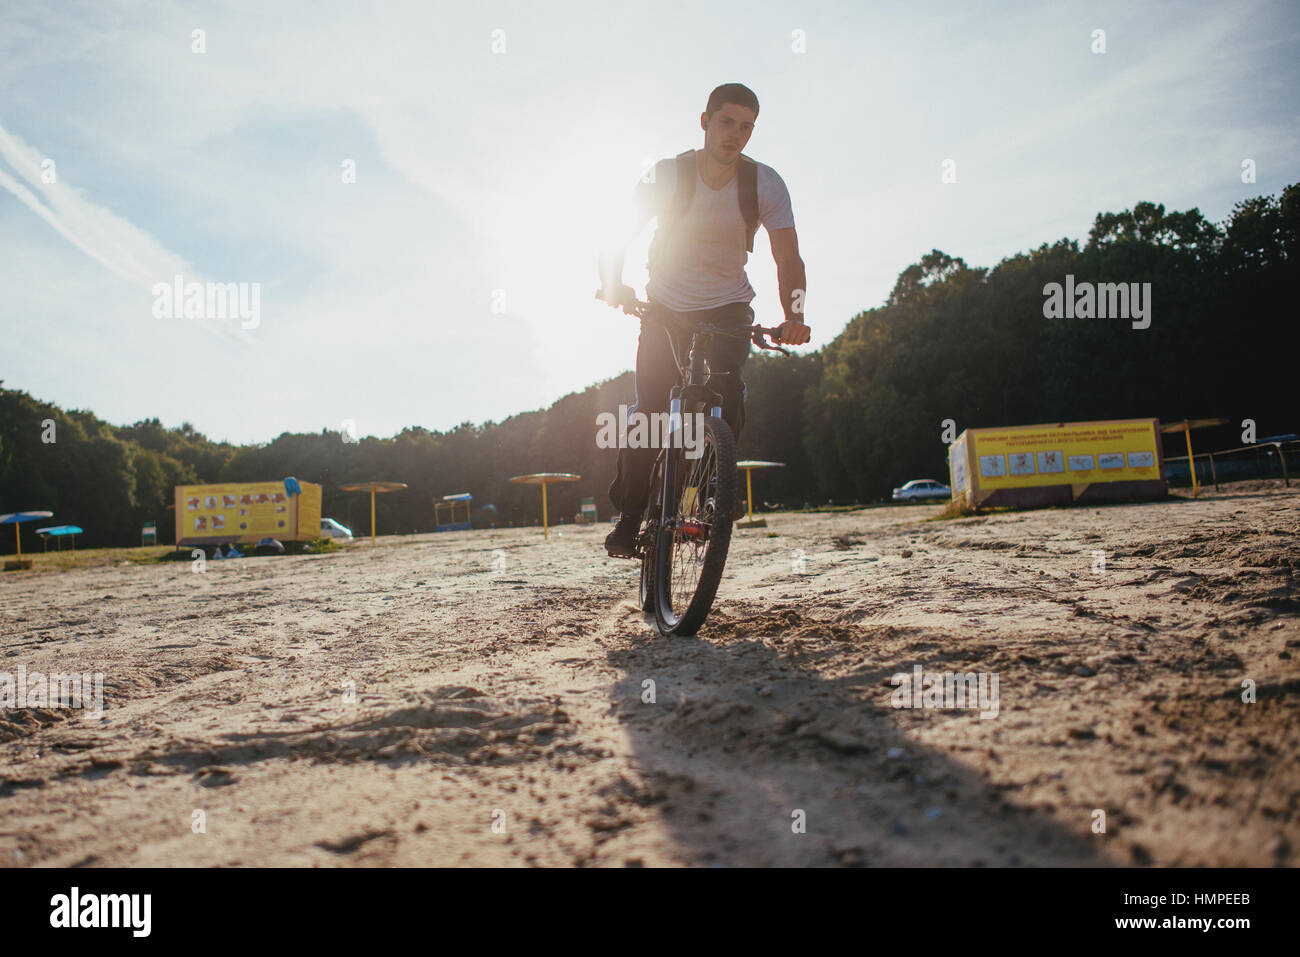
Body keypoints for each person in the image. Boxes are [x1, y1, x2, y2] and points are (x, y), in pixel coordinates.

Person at [597, 82, 810, 558]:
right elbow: (617, 233)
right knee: (650, 413)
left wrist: (794, 314)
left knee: (728, 383)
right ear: (705, 121)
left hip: (728, 303)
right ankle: (630, 518)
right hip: (666, 305)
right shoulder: (669, 175)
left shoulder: (765, 183)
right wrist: (614, 282)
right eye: (727, 122)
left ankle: (719, 486)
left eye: (747, 126)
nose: (736, 134)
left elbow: (788, 257)